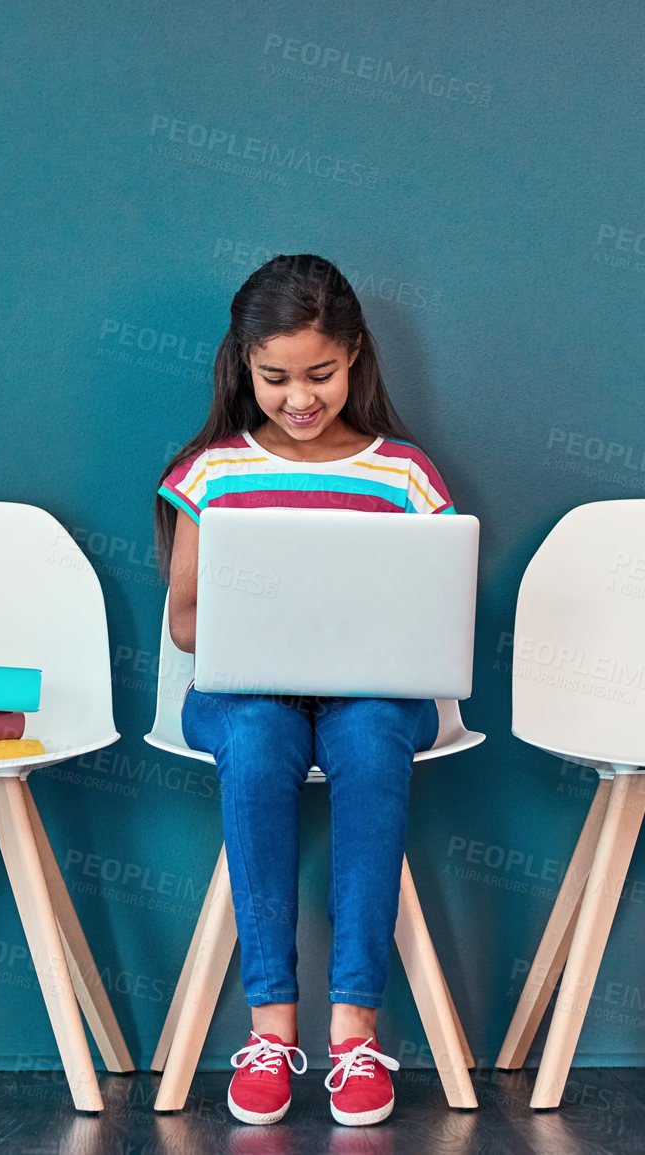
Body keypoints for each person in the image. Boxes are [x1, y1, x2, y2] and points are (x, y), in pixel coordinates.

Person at [152, 253, 458, 1127]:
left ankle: (356, 1033)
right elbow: (184, 625)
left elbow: (436, 613)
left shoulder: (402, 473)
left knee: (367, 744)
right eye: (274, 377)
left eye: (319, 374)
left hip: (373, 692)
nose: (297, 398)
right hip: (248, 691)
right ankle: (270, 1027)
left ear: (354, 356)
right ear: (242, 365)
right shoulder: (212, 471)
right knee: (254, 744)